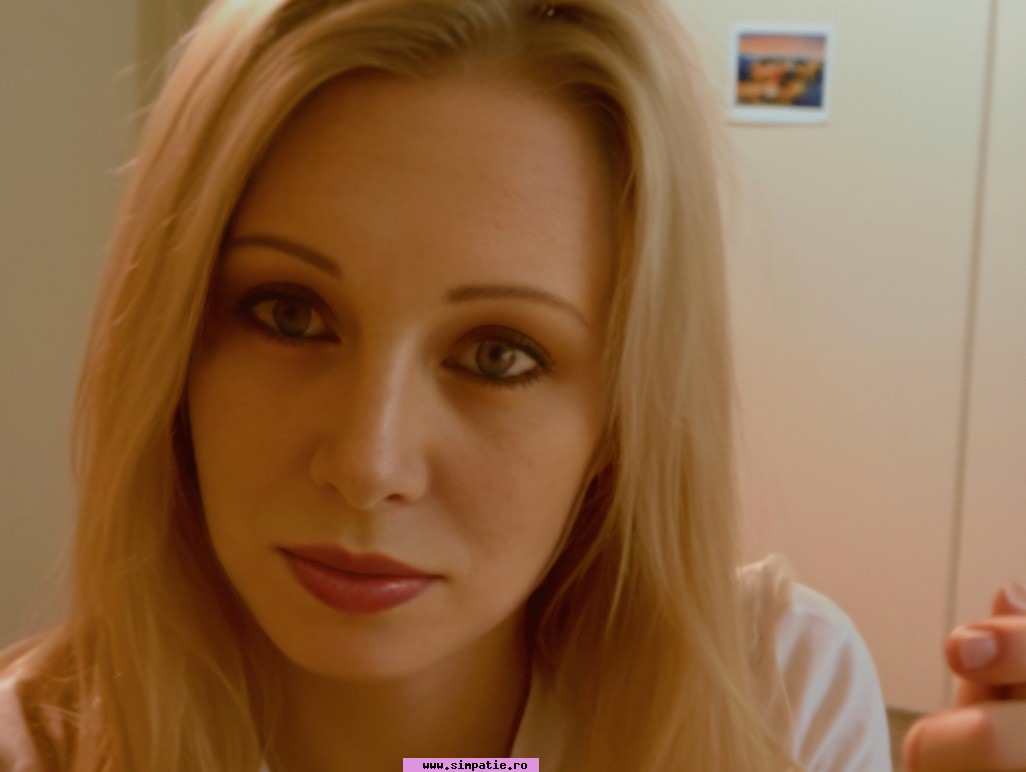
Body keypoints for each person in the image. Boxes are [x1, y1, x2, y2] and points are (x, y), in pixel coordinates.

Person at [0, 1, 1012, 770]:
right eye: (289, 314)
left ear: (621, 415)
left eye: (499, 355)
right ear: (174, 347)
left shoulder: (773, 702)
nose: (369, 464)